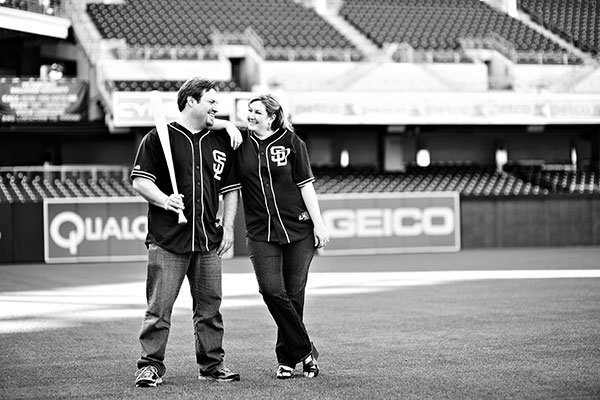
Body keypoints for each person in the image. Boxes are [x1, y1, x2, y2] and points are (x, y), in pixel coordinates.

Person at [131, 77, 243, 387]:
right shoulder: (157, 138)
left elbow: (231, 191)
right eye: (211, 101)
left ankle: (212, 366)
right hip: (168, 241)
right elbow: (141, 181)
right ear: (191, 101)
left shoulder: (221, 141)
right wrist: (165, 199)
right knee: (159, 310)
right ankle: (150, 365)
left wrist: (229, 228)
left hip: (208, 240)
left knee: (210, 310)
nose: (216, 107)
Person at [235, 94, 330, 379]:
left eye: (256, 112)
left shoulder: (292, 143)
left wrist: (319, 224)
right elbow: (213, 124)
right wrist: (228, 125)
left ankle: (287, 360)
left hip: (299, 230)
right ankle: (306, 351)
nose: (250, 115)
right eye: (248, 111)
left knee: (294, 295)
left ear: (272, 117)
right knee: (271, 290)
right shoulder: (239, 141)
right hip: (261, 233)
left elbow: (306, 187)